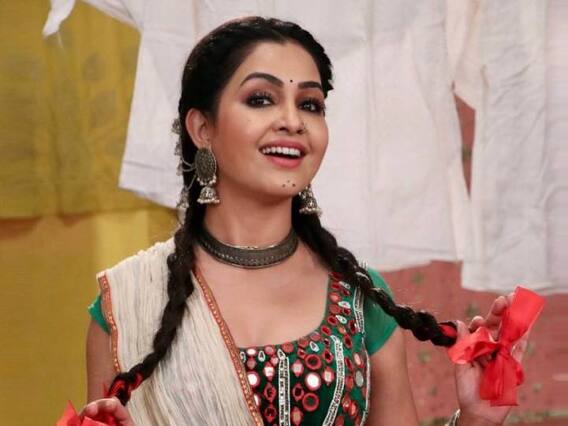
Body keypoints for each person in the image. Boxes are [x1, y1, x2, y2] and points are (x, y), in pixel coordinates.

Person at [81, 17, 526, 426]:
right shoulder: (129, 303)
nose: (293, 121)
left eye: (310, 104)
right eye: (261, 99)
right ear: (202, 128)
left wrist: (478, 419)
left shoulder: (359, 298)